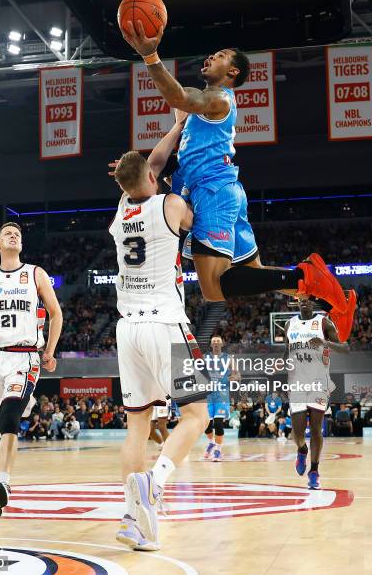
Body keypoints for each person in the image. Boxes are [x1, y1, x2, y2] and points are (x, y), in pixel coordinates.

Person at [120, 19, 355, 337]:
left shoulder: (218, 99)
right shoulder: (202, 112)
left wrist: (150, 56)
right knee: (252, 274)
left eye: (219, 55)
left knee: (214, 290)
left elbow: (178, 97)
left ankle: (307, 277)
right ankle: (336, 305)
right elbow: (181, 125)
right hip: (224, 191)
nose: (209, 58)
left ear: (233, 72)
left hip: (213, 195)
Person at [109, 152, 209, 551]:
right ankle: (155, 484)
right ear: (153, 176)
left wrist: (177, 125)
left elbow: (147, 167)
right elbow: (193, 220)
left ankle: (134, 519)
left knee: (137, 427)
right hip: (164, 323)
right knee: (197, 414)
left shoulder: (121, 209)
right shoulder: (171, 204)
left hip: (127, 329)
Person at [0, 222, 62, 518]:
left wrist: (50, 351)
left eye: (17, 233)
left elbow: (56, 313)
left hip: (24, 356)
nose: (13, 235)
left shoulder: (35, 273)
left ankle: (2, 483)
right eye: (7, 233)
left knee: (9, 416)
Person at [283, 297, 349, 489]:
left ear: (313, 303)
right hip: (296, 382)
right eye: (301, 299)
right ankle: (302, 450)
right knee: (297, 432)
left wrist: (324, 343)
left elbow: (345, 348)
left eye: (308, 299)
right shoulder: (289, 324)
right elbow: (287, 350)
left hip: (319, 381)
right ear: (297, 302)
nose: (304, 301)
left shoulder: (323, 322)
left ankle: (314, 471)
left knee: (316, 428)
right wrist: (281, 362)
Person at [203, 335, 239, 461]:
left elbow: (237, 374)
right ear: (211, 344)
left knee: (218, 423)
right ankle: (211, 442)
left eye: (218, 341)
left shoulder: (228, 358)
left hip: (222, 394)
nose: (216, 343)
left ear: (222, 344)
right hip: (208, 395)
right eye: (214, 342)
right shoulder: (204, 357)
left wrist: (233, 377)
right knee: (206, 425)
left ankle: (218, 450)